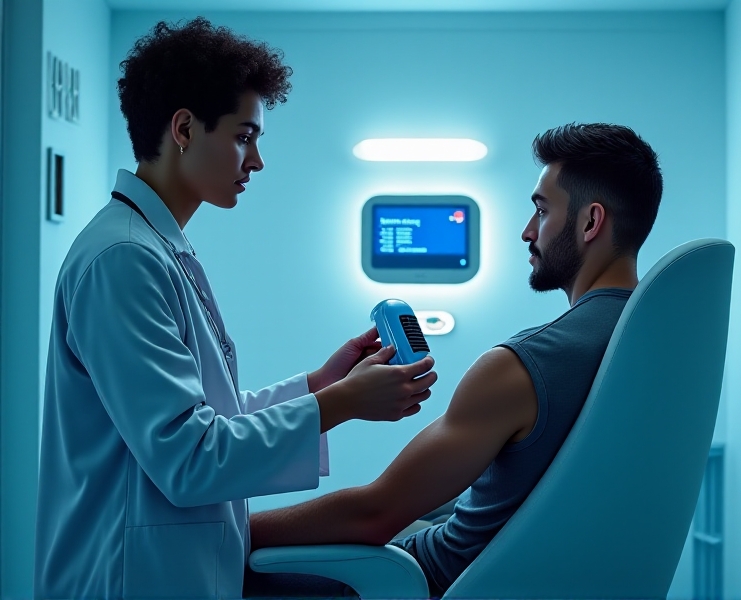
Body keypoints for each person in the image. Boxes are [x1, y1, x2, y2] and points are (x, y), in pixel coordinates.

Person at [33, 17, 436, 600]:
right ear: (184, 128)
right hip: (126, 578)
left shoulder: (154, 246)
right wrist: (338, 405)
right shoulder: (122, 259)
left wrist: (320, 385)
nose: (257, 161)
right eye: (245, 136)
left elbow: (201, 418)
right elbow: (190, 456)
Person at [251, 122, 663, 598]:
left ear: (591, 222)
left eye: (541, 210)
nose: (527, 231)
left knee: (237, 569)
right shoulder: (654, 351)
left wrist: (227, 532)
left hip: (421, 580)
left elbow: (374, 513)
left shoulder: (522, 365)